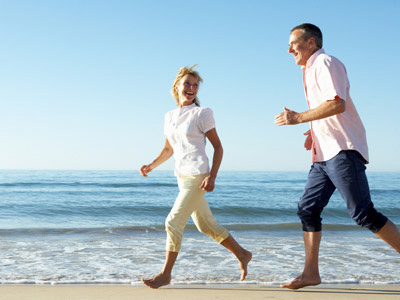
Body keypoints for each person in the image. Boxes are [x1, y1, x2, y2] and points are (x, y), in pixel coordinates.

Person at [275, 23, 400, 290]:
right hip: (323, 153)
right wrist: (313, 129)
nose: (289, 49)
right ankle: (310, 274)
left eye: (293, 43)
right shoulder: (309, 70)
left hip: (343, 150)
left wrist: (298, 118)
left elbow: (336, 103)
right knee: (307, 209)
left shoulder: (326, 63)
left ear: (311, 42)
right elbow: (328, 109)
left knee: (363, 213)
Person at [140, 65, 252, 289]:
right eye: (187, 84)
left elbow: (218, 147)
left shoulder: (202, 113)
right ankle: (242, 253)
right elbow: (168, 149)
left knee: (173, 222)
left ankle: (165, 274)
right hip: (182, 176)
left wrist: (212, 176)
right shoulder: (169, 116)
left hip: (198, 174)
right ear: (177, 87)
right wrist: (151, 165)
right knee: (205, 224)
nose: (191, 88)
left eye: (195, 85)